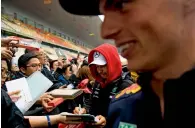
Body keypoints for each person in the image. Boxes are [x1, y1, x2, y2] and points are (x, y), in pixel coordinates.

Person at [60, 0, 195, 128]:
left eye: (122, 4)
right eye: (105, 13)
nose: (106, 31)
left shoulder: (125, 92)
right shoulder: (126, 104)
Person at [73, 43, 134, 126]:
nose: (99, 70)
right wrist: (84, 110)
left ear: (113, 63)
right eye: (97, 66)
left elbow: (130, 119)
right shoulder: (98, 83)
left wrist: (107, 121)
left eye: (103, 66)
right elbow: (91, 103)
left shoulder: (127, 86)